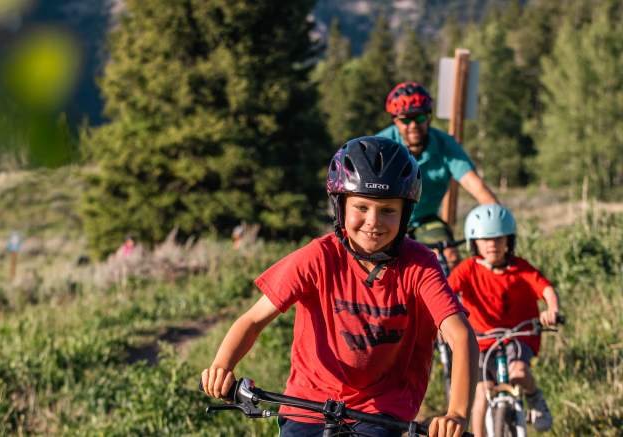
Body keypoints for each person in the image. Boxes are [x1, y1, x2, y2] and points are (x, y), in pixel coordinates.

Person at [202, 136, 479, 437]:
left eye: (388, 210)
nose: (373, 221)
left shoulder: (420, 265)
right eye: (361, 207)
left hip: (382, 408)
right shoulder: (319, 257)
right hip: (308, 402)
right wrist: (222, 365)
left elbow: (460, 336)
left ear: (406, 213)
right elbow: (254, 320)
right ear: (340, 207)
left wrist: (457, 413)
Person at [447, 204, 560, 436]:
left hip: (517, 336)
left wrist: (552, 310)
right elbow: (445, 293)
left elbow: (546, 288)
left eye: (499, 238)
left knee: (518, 372)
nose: (492, 245)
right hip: (481, 340)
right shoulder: (467, 269)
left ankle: (534, 397)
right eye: (485, 239)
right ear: (473, 242)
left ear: (509, 240)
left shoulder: (520, 268)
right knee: (482, 392)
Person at [377, 81, 498, 267]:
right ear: (395, 121)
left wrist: (498, 224)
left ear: (429, 117)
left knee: (448, 257)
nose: (413, 125)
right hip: (386, 217)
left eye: (419, 118)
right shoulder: (381, 145)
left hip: (425, 219)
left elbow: (476, 186)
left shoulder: (445, 145)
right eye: (406, 120)